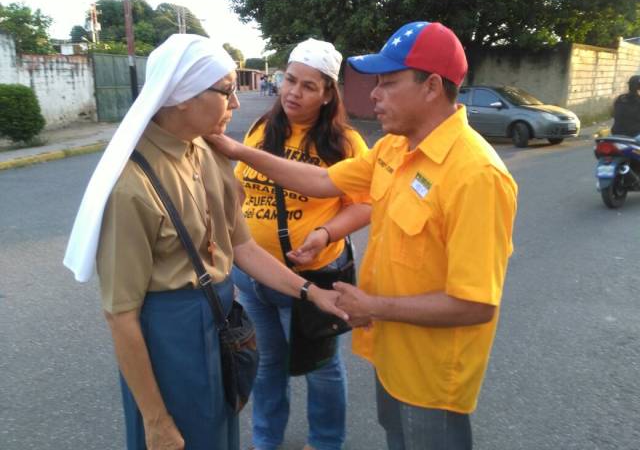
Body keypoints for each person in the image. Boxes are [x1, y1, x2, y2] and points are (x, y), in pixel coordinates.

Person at [207, 22, 518, 450]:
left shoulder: (477, 175)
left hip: (430, 373)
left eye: (388, 83)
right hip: (391, 353)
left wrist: (373, 304)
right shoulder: (395, 148)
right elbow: (321, 181)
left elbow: (475, 304)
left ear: (430, 87)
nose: (374, 94)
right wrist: (239, 151)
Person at [63, 34, 346, 450]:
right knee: (179, 437)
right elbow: (121, 316)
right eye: (228, 91)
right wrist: (155, 420)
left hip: (217, 320)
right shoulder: (131, 188)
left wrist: (309, 292)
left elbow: (243, 248)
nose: (236, 104)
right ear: (182, 97)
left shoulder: (206, 153)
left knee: (217, 432)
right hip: (168, 336)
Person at [219, 38, 370, 450]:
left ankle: (325, 443)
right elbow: (241, 189)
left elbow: (366, 205)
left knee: (321, 369)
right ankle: (266, 441)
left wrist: (324, 234)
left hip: (312, 276)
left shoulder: (345, 143)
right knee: (266, 367)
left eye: (308, 86)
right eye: (290, 80)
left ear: (327, 95)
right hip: (253, 277)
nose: (293, 93)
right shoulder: (260, 129)